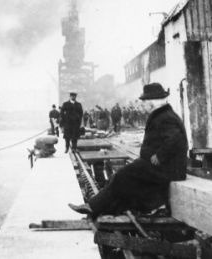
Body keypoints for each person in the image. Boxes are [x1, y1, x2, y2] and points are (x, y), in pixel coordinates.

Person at [68, 83, 188, 217]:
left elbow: (176, 139)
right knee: (124, 179)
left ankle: (93, 207)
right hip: (162, 167)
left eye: (146, 101)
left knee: (121, 176)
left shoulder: (165, 117)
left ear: (155, 101)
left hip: (167, 169)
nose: (144, 104)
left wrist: (160, 156)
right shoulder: (164, 115)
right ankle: (102, 209)